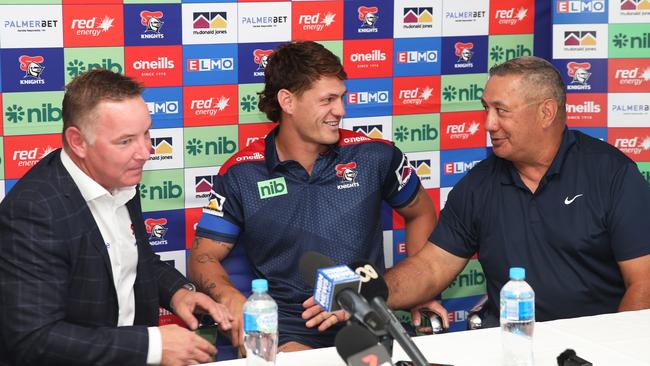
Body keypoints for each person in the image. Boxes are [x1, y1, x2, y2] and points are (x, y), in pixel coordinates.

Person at [306, 55, 650, 331]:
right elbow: (431, 267)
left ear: (546, 112)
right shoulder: (479, 184)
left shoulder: (611, 174)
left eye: (501, 110)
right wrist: (365, 294)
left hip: (597, 347)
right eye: (486, 109)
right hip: (513, 345)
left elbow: (644, 284)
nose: (488, 124)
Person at [188, 41, 438, 352]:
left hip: (368, 319)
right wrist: (231, 298)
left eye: (342, 98)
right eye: (328, 100)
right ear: (287, 101)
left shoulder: (375, 156)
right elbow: (203, 257)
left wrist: (423, 290)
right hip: (289, 331)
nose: (341, 111)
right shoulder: (242, 173)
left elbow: (422, 213)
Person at [0, 69, 234, 366]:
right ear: (78, 142)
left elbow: (134, 258)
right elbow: (33, 339)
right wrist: (152, 346)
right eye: (125, 141)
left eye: (146, 133)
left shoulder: (120, 177)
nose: (145, 152)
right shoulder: (33, 212)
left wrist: (178, 293)